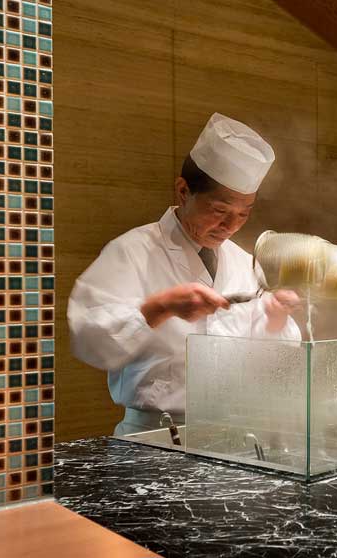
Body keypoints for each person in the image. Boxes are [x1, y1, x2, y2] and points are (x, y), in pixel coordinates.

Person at [68, 113, 302, 435]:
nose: (230, 227)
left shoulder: (244, 263)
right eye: (220, 211)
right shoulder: (132, 250)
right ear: (182, 191)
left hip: (230, 435)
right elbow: (87, 340)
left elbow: (270, 362)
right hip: (154, 440)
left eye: (243, 215)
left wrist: (275, 319)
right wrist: (159, 307)